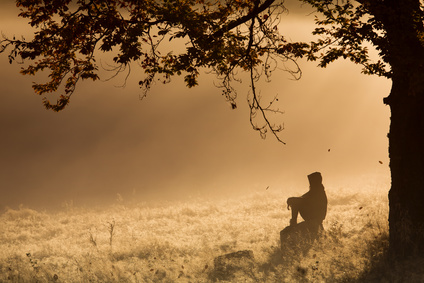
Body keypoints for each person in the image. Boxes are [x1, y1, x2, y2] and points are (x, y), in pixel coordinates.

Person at [280, 172, 327, 254]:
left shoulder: (318, 192)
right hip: (312, 224)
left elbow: (303, 199)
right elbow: (304, 197)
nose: (310, 184)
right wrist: (293, 199)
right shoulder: (316, 191)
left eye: (311, 182)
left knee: (285, 233)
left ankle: (286, 255)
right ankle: (288, 254)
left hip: (313, 225)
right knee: (286, 233)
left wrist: (293, 200)